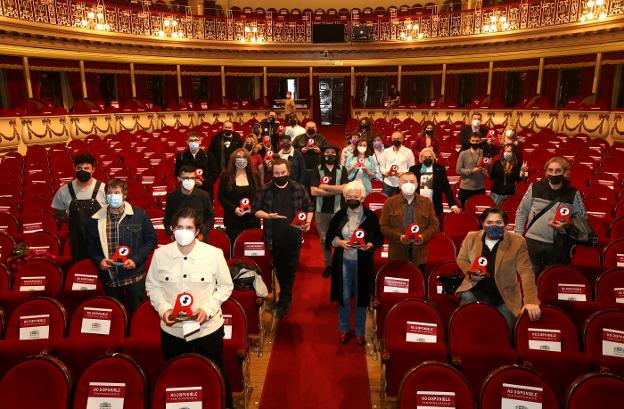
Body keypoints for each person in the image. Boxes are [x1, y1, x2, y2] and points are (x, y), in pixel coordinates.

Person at [145, 207, 233, 409]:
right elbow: (153, 286)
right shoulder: (160, 254)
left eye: (188, 227)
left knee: (215, 372)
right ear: (172, 228)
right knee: (176, 373)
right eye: (179, 227)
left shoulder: (213, 254)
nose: (183, 231)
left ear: (197, 230)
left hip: (207, 328)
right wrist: (164, 309)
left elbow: (226, 286)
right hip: (173, 330)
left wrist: (207, 309)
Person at [455, 207, 541, 330]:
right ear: (482, 224)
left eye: (498, 223)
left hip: (504, 297)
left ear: (505, 224)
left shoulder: (517, 242)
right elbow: (461, 259)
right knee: (466, 327)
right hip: (475, 290)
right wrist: (470, 271)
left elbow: (526, 272)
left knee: (504, 331)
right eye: (489, 223)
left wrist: (531, 300)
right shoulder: (471, 237)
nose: (494, 226)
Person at [252, 158, 314, 319]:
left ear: (288, 172)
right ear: (272, 173)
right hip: (273, 238)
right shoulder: (265, 189)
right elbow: (255, 210)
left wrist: (307, 222)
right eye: (276, 173)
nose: (280, 175)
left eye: (283, 173)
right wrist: (267, 215)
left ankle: (285, 298)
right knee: (280, 269)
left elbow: (309, 207)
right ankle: (285, 297)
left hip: (293, 237)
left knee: (290, 269)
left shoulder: (298, 188)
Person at [85, 178, 157, 316]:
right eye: (110, 193)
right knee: (115, 314)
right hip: (110, 276)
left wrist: (136, 259)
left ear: (124, 195)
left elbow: (151, 240)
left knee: (136, 313)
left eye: (116, 192)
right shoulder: (95, 219)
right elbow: (90, 245)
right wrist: (99, 260)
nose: (113, 196)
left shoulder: (139, 214)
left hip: (134, 275)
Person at [326, 181, 383, 345]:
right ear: (344, 198)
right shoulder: (339, 215)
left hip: (362, 263)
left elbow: (378, 238)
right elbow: (330, 237)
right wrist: (339, 243)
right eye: (348, 196)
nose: (352, 199)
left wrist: (370, 245)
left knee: (361, 297)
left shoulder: (370, 216)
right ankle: (343, 329)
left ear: (362, 197)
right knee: (343, 296)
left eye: (355, 196)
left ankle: (359, 331)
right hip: (343, 261)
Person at [514, 157, 587, 275]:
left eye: (558, 171)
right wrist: (518, 234)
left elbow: (582, 218)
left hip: (557, 246)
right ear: (546, 172)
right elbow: (522, 211)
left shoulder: (573, 193)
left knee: (552, 280)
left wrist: (566, 226)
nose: (553, 173)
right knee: (528, 280)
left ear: (565, 173)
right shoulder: (535, 187)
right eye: (550, 170)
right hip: (532, 243)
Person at [51, 152, 106, 262]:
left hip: (100, 240)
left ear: (93, 169)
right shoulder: (64, 190)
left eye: (86, 168)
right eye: (79, 168)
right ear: (74, 168)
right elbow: (57, 212)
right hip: (77, 242)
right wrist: (74, 220)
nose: (82, 171)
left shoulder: (103, 188)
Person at [379, 172, 439, 272]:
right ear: (399, 185)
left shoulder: (426, 202)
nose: (408, 184)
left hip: (420, 254)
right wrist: (399, 237)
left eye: (412, 182)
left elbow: (435, 225)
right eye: (405, 182)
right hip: (397, 253)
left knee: (417, 284)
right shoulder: (390, 202)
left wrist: (423, 237)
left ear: (417, 185)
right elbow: (383, 226)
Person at [311, 145, 349, 278]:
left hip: (339, 210)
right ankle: (329, 264)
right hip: (321, 211)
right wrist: (335, 190)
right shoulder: (317, 169)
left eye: (333, 153)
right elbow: (314, 191)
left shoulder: (342, 169)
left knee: (340, 238)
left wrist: (325, 187)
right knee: (324, 239)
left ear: (336, 155)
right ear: (323, 154)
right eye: (327, 152)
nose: (330, 155)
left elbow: (345, 188)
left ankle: (339, 264)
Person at [218, 149, 262, 245]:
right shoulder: (226, 176)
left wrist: (253, 208)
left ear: (248, 160)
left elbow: (259, 196)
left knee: (251, 250)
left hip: (251, 220)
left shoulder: (254, 176)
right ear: (233, 160)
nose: (241, 160)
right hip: (233, 221)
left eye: (243, 157)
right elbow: (221, 197)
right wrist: (234, 208)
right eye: (238, 157)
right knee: (235, 248)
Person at [164, 165, 214, 239]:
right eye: (186, 178)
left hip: (199, 237)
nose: (189, 180)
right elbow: (168, 219)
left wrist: (202, 232)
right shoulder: (171, 197)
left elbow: (210, 217)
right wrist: (172, 233)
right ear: (179, 179)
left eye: (192, 178)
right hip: (179, 236)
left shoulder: (204, 195)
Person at [408, 148, 460, 216]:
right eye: (425, 157)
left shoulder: (440, 168)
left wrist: (453, 205)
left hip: (435, 204)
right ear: (421, 158)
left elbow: (447, 188)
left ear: (433, 157)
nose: (427, 158)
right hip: (417, 204)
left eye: (429, 157)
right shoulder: (413, 169)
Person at [456, 133, 488, 208]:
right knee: (463, 210)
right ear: (469, 141)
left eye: (477, 141)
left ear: (480, 141)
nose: (475, 142)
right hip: (465, 188)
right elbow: (458, 170)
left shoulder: (484, 153)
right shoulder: (463, 154)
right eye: (473, 140)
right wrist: (471, 171)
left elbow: (487, 168)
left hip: (480, 188)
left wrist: (485, 171)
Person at [379, 131, 416, 196]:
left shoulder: (408, 151)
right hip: (388, 182)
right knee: (386, 202)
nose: (396, 140)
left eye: (398, 139)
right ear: (391, 139)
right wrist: (385, 172)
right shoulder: (386, 151)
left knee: (402, 203)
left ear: (402, 139)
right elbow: (381, 166)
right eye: (394, 139)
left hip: (402, 182)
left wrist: (404, 172)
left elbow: (412, 167)